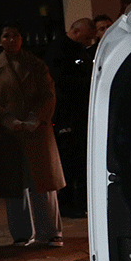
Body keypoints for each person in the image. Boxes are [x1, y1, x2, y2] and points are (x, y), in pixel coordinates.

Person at [0, 24, 65, 246]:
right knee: (15, 187)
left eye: (16, 35)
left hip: (36, 133)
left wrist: (37, 118)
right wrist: (6, 120)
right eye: (6, 36)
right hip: (9, 136)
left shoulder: (35, 64)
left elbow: (48, 93)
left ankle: (51, 232)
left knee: (43, 185)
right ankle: (21, 235)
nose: (12, 39)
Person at [47, 17, 96, 218]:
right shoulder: (59, 51)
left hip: (79, 113)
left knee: (80, 159)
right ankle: (67, 203)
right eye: (86, 38)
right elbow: (62, 81)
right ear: (76, 32)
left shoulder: (78, 51)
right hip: (67, 114)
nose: (88, 43)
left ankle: (81, 202)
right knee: (69, 160)